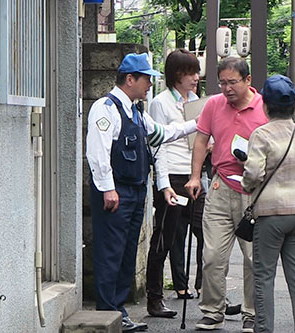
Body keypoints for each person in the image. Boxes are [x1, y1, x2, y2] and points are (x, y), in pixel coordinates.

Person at [86, 52, 197, 332]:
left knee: (126, 252)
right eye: (147, 79)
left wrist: (199, 124)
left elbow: (162, 134)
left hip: (135, 192)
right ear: (130, 79)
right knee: (110, 252)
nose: (150, 84)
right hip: (116, 193)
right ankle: (108, 311)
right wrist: (108, 189)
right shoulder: (105, 108)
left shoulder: (136, 111)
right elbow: (98, 154)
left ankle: (120, 310)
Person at [185, 57, 268, 332]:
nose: (227, 88)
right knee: (212, 256)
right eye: (222, 82)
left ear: (248, 81)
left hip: (255, 190)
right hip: (221, 186)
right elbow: (201, 140)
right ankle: (212, 311)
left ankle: (252, 314)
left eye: (232, 82)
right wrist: (195, 176)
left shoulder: (264, 107)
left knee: (254, 258)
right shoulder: (213, 104)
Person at [241, 75, 295, 333]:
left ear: (265, 105)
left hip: (272, 214)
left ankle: (264, 329)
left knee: (264, 275)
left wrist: (246, 184)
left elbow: (253, 174)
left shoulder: (261, 135)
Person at [145, 49, 205, 318]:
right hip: (172, 177)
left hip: (195, 175)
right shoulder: (160, 102)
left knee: (206, 234)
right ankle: (154, 298)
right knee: (166, 239)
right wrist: (164, 183)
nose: (196, 77)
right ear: (177, 75)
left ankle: (208, 290)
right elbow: (159, 146)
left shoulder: (197, 101)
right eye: (191, 72)